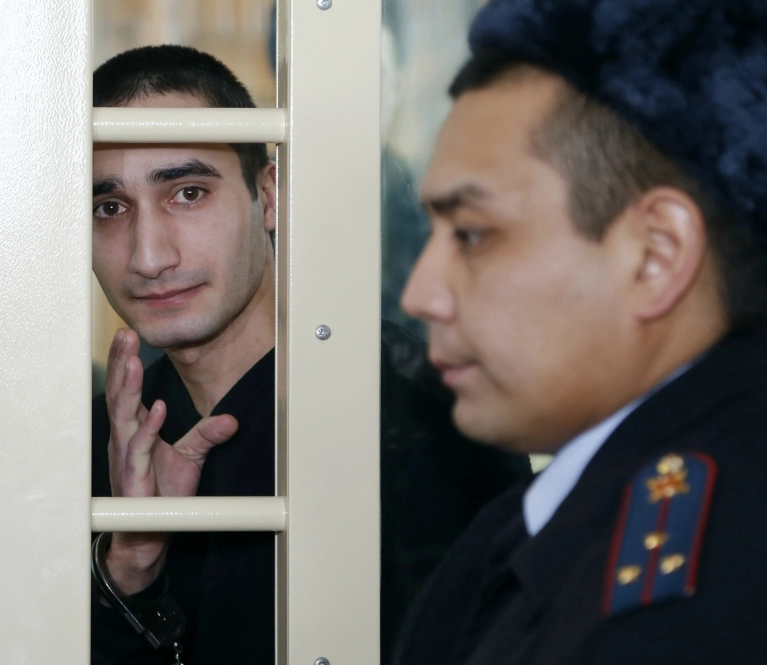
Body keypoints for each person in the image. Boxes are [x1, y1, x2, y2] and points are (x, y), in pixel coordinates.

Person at [88, 45, 531, 665]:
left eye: (188, 193)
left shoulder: (420, 417)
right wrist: (132, 565)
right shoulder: (100, 441)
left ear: (269, 195)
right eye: (109, 208)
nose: (148, 256)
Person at [393, 0, 767, 663]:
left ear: (655, 256)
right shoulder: (565, 509)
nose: (420, 295)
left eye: (472, 234)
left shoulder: (703, 594)